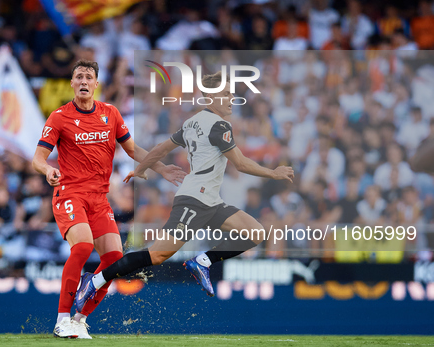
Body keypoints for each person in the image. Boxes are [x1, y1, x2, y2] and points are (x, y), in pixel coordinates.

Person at [75, 71, 294, 313]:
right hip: (195, 200)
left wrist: (142, 168)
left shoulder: (192, 122)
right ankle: (94, 280)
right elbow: (240, 163)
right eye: (226, 94)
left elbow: (160, 149)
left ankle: (202, 261)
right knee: (157, 255)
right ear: (210, 97)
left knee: (255, 232)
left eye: (232, 94)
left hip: (210, 200)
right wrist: (274, 173)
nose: (232, 98)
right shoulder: (219, 126)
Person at [32, 60, 185, 339]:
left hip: (99, 199)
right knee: (82, 247)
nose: (83, 81)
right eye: (78, 76)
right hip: (70, 193)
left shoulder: (111, 113)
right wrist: (48, 169)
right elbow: (38, 158)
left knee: (114, 258)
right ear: (71, 83)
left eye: (88, 77)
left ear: (96, 84)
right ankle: (62, 319)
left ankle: (79, 318)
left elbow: (132, 149)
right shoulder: (59, 117)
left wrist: (161, 168)